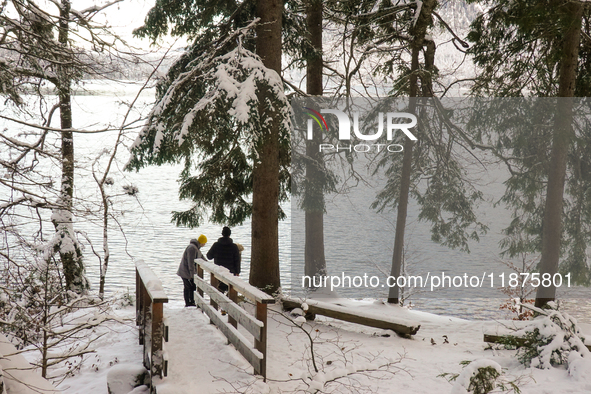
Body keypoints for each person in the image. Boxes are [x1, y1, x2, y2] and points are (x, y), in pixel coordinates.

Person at [206, 227, 241, 293]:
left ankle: (217, 302)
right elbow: (237, 260)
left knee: (219, 291)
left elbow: (209, 256)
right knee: (230, 291)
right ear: (229, 235)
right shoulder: (234, 247)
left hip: (219, 272)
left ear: (222, 234)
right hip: (230, 273)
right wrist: (237, 271)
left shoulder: (216, 245)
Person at [177, 234, 207, 307]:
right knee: (188, 287)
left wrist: (209, 265)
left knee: (192, 287)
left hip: (188, 272)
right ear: (202, 242)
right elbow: (191, 262)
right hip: (185, 272)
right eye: (205, 243)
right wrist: (192, 275)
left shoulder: (196, 248)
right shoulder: (192, 248)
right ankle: (188, 303)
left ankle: (191, 302)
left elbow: (201, 257)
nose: (205, 244)